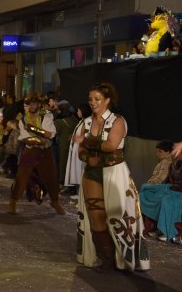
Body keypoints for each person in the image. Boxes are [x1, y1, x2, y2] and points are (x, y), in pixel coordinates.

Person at [73, 82, 149, 272]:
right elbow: (80, 151)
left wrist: (87, 141)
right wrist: (86, 157)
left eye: (97, 99)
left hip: (115, 171)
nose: (92, 103)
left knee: (118, 214)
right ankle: (107, 258)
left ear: (107, 100)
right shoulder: (86, 122)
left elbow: (111, 146)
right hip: (92, 173)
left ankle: (124, 258)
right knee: (95, 214)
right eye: (90, 99)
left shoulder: (118, 121)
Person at [7, 96, 65, 215]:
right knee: (20, 177)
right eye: (28, 104)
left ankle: (55, 201)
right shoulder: (23, 119)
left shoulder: (46, 116)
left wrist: (33, 129)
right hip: (30, 150)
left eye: (34, 104)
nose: (31, 106)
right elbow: (25, 138)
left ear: (39, 104)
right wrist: (35, 139)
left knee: (52, 178)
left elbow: (49, 135)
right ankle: (12, 202)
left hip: (45, 151)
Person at [140, 141, 182, 243]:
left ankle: (165, 230)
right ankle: (147, 226)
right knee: (146, 192)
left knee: (167, 200)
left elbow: (160, 178)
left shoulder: (168, 163)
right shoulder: (174, 164)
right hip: (171, 188)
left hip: (178, 191)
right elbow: (169, 179)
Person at [63, 102, 92, 198]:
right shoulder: (82, 121)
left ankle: (81, 193)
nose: (77, 112)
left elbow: (85, 135)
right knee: (76, 169)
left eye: (79, 110)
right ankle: (78, 192)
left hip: (81, 148)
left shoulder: (88, 121)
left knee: (80, 170)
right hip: (76, 148)